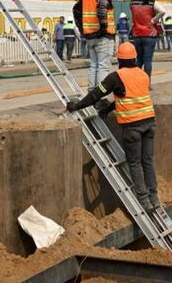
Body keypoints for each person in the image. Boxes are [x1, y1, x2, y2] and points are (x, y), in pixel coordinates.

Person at [66, 41, 161, 212]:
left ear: (119, 59)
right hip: (149, 122)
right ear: (135, 58)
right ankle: (154, 197)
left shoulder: (115, 77)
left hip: (132, 127)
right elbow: (128, 97)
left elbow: (96, 94)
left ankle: (144, 200)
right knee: (147, 161)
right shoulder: (143, 74)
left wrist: (77, 106)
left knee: (134, 163)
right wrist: (108, 108)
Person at [73, 0, 116, 87]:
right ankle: (100, 98)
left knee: (93, 66)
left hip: (90, 36)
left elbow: (76, 10)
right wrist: (103, 30)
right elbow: (102, 11)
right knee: (103, 67)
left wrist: (83, 30)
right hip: (103, 36)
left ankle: (92, 94)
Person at [128, 0, 165, 75]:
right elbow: (162, 11)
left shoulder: (132, 3)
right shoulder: (153, 3)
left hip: (137, 35)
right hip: (150, 35)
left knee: (139, 60)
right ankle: (146, 83)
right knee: (147, 60)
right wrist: (153, 20)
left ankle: (137, 82)